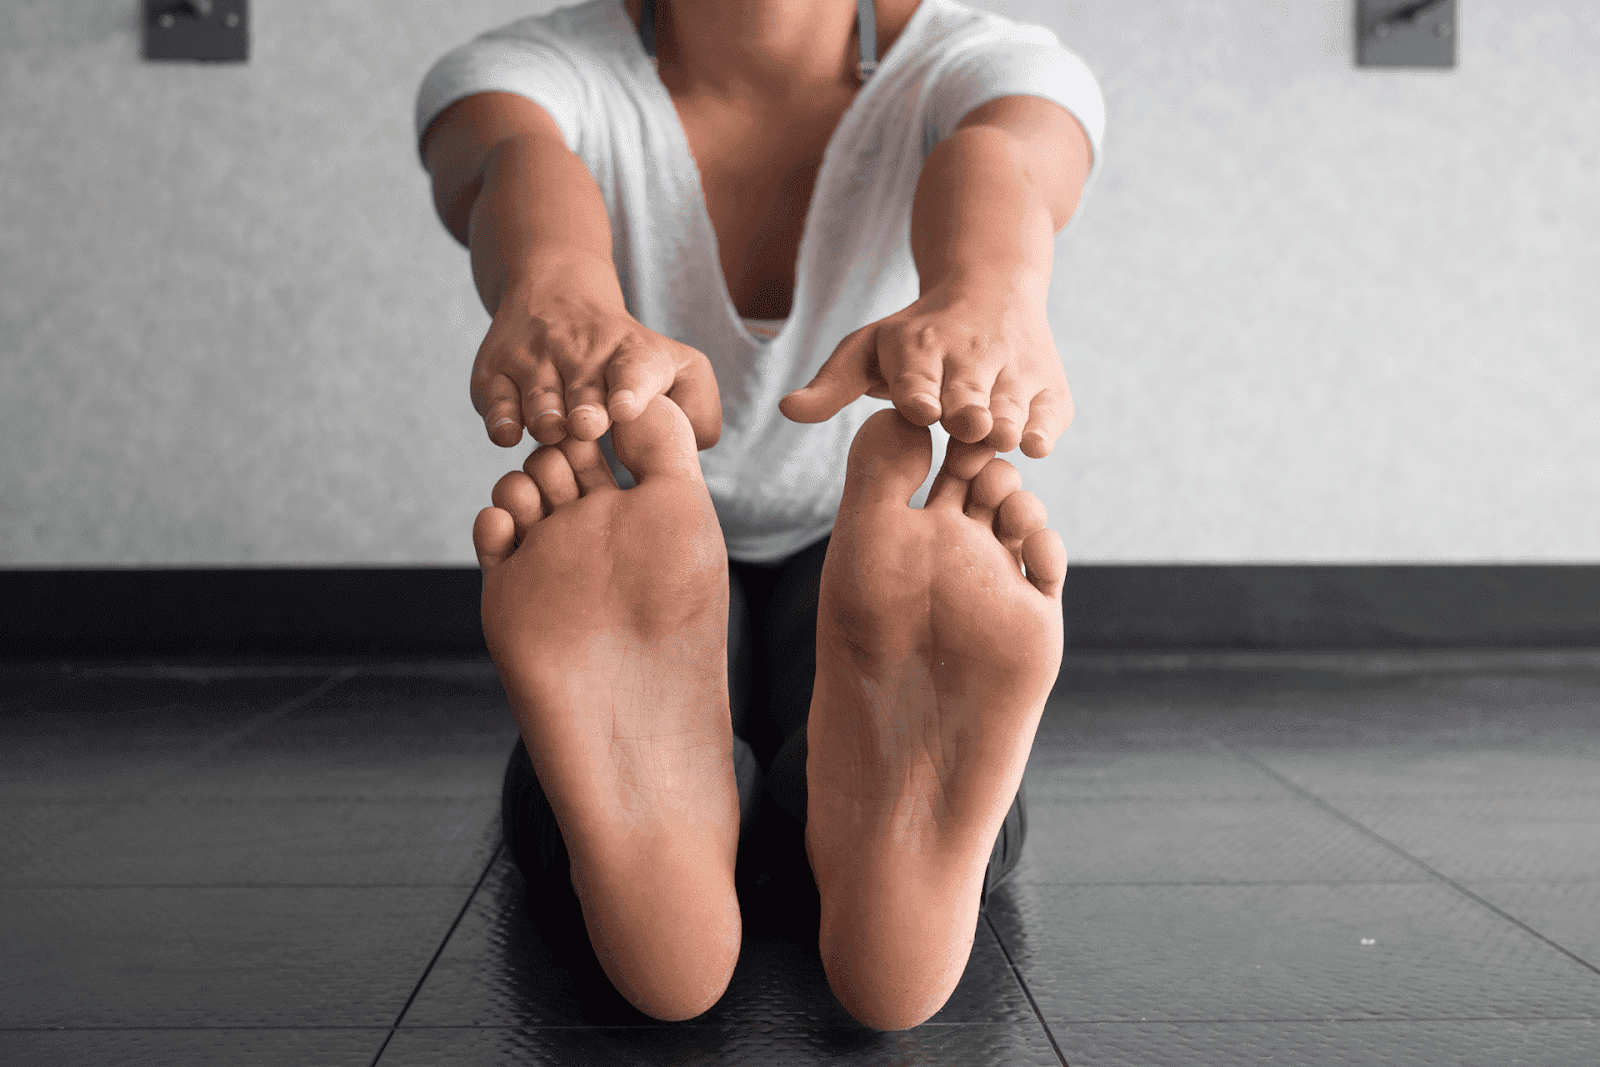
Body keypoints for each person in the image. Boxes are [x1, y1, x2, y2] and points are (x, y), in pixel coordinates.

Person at [415, 0, 1103, 1031]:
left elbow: (1005, 150)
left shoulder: (980, 63)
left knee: (807, 694)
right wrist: (553, 286)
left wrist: (988, 288)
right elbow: (509, 157)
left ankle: (725, 815)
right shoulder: (529, 72)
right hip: (647, 532)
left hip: (857, 546)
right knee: (803, 718)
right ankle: (814, 813)